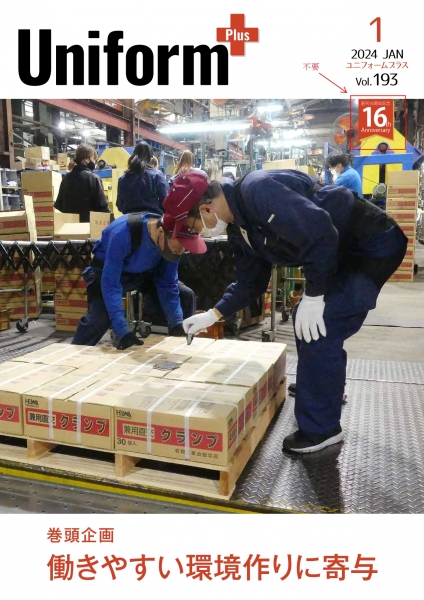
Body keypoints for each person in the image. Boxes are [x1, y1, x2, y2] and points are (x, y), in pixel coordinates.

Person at [164, 169, 408, 454]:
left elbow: (321, 232)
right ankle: (320, 389)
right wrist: (213, 315)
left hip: (370, 244)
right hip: (339, 251)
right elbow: (251, 282)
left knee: (323, 325)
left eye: (194, 226)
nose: (199, 233)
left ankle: (321, 430)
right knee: (305, 317)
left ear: (206, 209)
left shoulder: (258, 192)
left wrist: (315, 296)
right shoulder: (239, 228)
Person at [72, 172, 209, 349]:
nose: (181, 251)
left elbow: (167, 283)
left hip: (140, 274)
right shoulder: (124, 232)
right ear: (161, 232)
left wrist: (177, 324)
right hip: (105, 273)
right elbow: (111, 284)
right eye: (180, 246)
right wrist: (122, 331)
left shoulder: (171, 246)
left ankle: (180, 343)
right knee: (99, 319)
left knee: (185, 296)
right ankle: (73, 351)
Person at [54, 144, 110, 222]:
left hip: (69, 226)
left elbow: (59, 205)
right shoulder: (93, 178)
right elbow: (102, 206)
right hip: (89, 226)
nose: (94, 162)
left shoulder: (66, 179)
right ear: (86, 159)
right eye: (93, 159)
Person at [116, 142, 169, 214]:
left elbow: (119, 205)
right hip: (152, 217)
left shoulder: (123, 178)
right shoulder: (157, 175)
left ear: (133, 156)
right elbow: (166, 201)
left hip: (128, 218)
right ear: (151, 158)